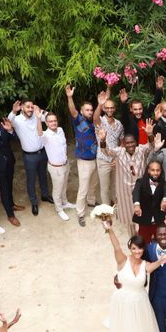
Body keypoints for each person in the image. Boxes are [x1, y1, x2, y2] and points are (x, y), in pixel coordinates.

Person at [103, 217, 166, 332]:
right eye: (134, 248)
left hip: (140, 303)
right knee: (125, 330)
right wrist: (110, 229)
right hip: (123, 302)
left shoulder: (145, 265)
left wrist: (162, 259)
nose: (137, 252)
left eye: (140, 249)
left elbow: (154, 266)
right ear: (130, 248)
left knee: (139, 331)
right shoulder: (122, 260)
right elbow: (115, 246)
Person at [97, 123, 156, 238]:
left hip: (141, 191)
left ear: (136, 142)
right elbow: (106, 151)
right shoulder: (119, 152)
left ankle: (146, 238)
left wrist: (150, 134)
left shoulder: (142, 150)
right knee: (130, 218)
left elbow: (151, 146)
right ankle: (133, 240)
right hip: (125, 193)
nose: (130, 145)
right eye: (127, 143)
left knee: (144, 215)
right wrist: (103, 140)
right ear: (123, 144)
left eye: (132, 142)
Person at [8, 98, 52, 216]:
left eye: (32, 107)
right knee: (31, 180)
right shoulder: (17, 120)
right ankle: (34, 203)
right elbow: (9, 120)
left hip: (42, 152)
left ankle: (45, 195)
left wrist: (41, 111)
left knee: (43, 176)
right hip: (29, 156)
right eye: (28, 107)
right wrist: (13, 111)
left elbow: (50, 117)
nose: (30, 109)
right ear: (22, 107)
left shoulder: (36, 116)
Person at [66, 85, 100, 226]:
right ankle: (80, 213)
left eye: (91, 110)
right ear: (82, 111)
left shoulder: (94, 123)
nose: (90, 112)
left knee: (93, 184)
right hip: (84, 160)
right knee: (83, 188)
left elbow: (98, 115)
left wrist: (100, 104)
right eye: (87, 109)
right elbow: (72, 111)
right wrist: (70, 97)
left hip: (96, 158)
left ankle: (91, 202)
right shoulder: (78, 120)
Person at [35, 105, 74, 221]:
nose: (53, 123)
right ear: (46, 123)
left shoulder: (61, 130)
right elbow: (39, 133)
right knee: (57, 189)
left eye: (55, 120)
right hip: (55, 168)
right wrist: (38, 118)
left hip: (65, 164)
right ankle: (59, 209)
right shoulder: (45, 135)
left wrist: (43, 111)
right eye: (50, 121)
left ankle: (65, 202)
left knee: (64, 186)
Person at [93, 91, 125, 207]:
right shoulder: (100, 122)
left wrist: (118, 157)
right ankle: (106, 211)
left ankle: (114, 203)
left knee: (115, 185)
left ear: (115, 109)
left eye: (112, 108)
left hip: (115, 160)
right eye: (107, 108)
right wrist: (99, 104)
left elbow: (122, 142)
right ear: (104, 109)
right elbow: (95, 118)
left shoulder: (119, 124)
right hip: (103, 159)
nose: (110, 110)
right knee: (104, 188)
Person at [132, 160, 166, 243]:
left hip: (158, 220)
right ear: (148, 170)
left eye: (158, 170)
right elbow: (136, 192)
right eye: (153, 170)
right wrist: (137, 205)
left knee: (161, 243)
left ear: (161, 171)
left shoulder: (163, 183)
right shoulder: (140, 182)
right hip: (144, 221)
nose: (155, 173)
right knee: (143, 244)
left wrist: (164, 200)